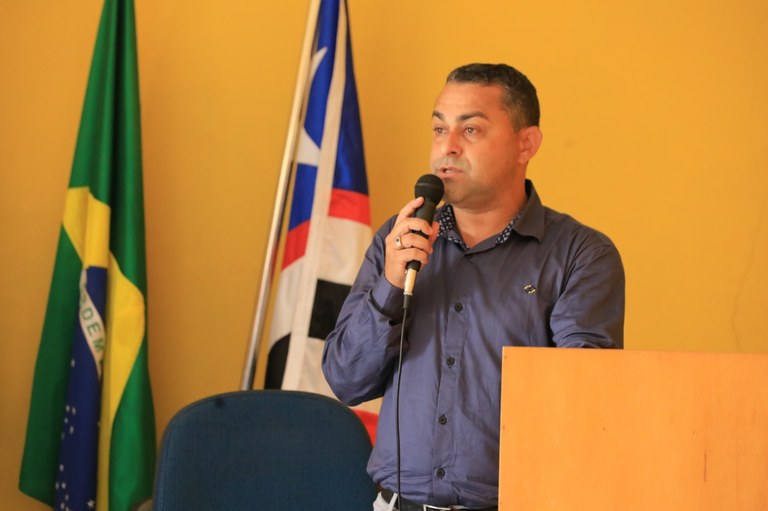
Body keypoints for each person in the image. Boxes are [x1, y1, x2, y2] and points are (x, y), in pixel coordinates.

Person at [322, 63, 625, 511]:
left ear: (526, 143)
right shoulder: (400, 240)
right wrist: (390, 284)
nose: (447, 147)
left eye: (471, 130)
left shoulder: (580, 255)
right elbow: (346, 381)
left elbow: (581, 406)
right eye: (438, 129)